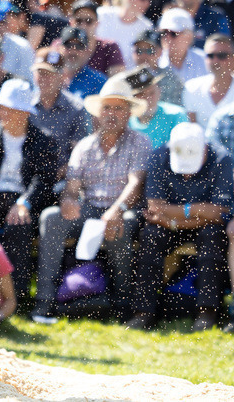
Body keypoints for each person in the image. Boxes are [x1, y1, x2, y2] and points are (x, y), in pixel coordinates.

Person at [31, 75, 151, 323]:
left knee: (124, 222)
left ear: (128, 113)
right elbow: (72, 186)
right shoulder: (84, 146)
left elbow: (136, 183)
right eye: (107, 108)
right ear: (98, 113)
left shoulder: (140, 142)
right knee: (51, 217)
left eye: (118, 108)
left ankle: (123, 302)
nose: (112, 114)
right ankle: (45, 302)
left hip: (123, 208)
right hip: (91, 209)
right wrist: (68, 199)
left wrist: (116, 209)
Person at [0, 79, 60, 298]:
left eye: (10, 109)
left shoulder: (43, 141)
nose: (4, 114)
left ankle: (15, 293)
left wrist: (25, 202)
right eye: (2, 108)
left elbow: (44, 180)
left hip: (22, 200)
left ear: (24, 113)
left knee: (19, 226)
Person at [128, 123, 232, 332]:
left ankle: (207, 312)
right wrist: (198, 209)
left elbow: (219, 213)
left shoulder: (223, 159)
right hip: (168, 224)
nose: (185, 175)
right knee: (150, 236)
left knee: (213, 238)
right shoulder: (159, 156)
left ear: (205, 149)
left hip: (200, 225)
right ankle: (143, 312)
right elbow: (155, 208)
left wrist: (174, 218)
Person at [30, 47, 91, 154]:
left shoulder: (76, 109)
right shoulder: (25, 105)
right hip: (27, 169)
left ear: (62, 76)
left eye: (49, 73)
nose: (44, 78)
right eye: (40, 73)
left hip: (62, 169)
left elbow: (80, 151)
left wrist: (65, 168)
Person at [125, 65, 188, 149]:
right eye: (142, 94)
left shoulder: (176, 115)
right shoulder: (125, 120)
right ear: (132, 98)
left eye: (152, 93)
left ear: (159, 91)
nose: (148, 99)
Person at [159, 7, 208, 85]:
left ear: (189, 36)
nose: (167, 38)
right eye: (164, 33)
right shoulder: (155, 62)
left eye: (173, 33)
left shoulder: (206, 62)